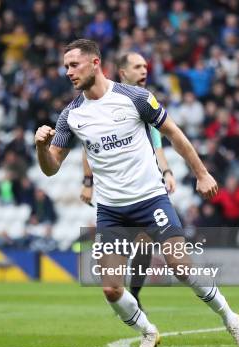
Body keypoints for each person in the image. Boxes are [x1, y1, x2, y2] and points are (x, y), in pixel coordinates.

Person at [35, 39, 239, 347]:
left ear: (95, 63)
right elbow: (51, 168)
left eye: (74, 65)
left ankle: (231, 319)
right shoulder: (71, 116)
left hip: (150, 200)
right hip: (111, 210)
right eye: (66, 66)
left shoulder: (134, 98)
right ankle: (148, 331)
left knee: (180, 266)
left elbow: (174, 134)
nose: (67, 72)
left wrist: (202, 173)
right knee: (111, 289)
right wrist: (42, 147)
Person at [80, 51, 176, 310]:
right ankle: (129, 294)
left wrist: (166, 172)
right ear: (123, 72)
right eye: (138, 67)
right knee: (132, 248)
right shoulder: (106, 101)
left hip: (144, 188)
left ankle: (134, 292)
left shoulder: (145, 101)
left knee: (145, 243)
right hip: (115, 192)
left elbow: (157, 145)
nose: (145, 70)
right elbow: (89, 146)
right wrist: (87, 182)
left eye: (146, 66)